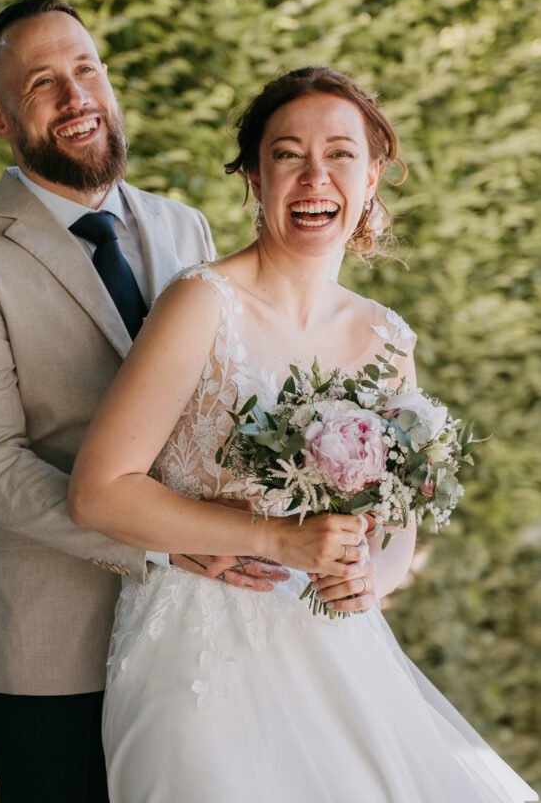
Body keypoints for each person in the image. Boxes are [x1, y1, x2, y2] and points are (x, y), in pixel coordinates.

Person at [69, 67, 538, 802]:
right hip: (198, 656)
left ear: (372, 174)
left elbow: (396, 527)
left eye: (340, 154)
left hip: (336, 647)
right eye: (287, 155)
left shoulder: (387, 339)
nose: (314, 176)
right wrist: (274, 540)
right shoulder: (202, 302)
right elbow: (99, 492)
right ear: (256, 179)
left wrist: (369, 578)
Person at [0, 0, 292, 803]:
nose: (76, 96)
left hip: (200, 632)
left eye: (86, 69)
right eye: (42, 83)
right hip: (55, 654)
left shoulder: (185, 227)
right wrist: (161, 541)